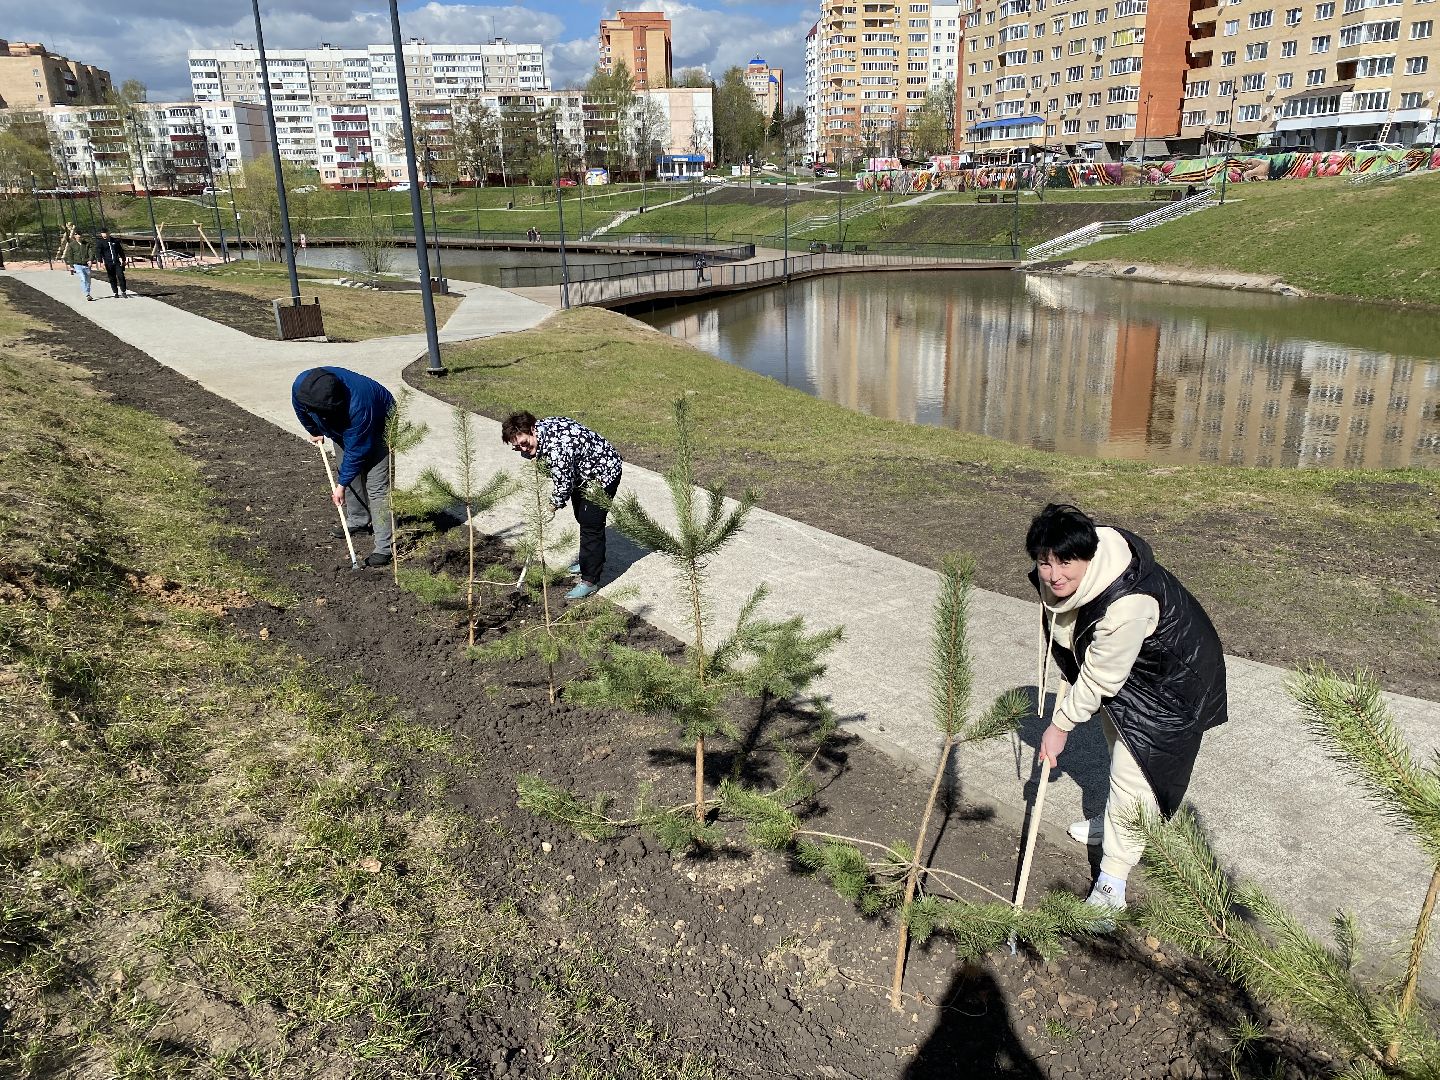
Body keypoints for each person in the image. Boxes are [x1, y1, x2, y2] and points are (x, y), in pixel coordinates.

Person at [1026, 503, 1227, 916]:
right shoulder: (1076, 568)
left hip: (1173, 684)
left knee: (1135, 775)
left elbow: (1101, 678)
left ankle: (1112, 885)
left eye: (1065, 563)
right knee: (1115, 742)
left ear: (1088, 556)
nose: (1054, 574)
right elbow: (1077, 633)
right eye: (1045, 563)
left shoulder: (1127, 602)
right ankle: (1114, 822)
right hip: (1131, 668)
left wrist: (1060, 725)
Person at [501, 411, 623, 600]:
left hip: (603, 473)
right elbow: (559, 472)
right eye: (517, 447)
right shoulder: (540, 429)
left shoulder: (558, 447)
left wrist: (552, 507)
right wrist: (528, 452)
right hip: (582, 471)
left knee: (591, 523)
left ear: (532, 430)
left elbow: (564, 484)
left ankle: (590, 580)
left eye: (524, 443)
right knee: (582, 516)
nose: (523, 449)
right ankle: (587, 561)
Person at [292, 367, 395, 568]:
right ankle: (358, 520)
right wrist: (314, 429)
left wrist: (340, 486)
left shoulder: (360, 408)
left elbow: (356, 452)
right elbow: (300, 408)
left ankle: (384, 547)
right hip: (343, 423)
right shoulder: (301, 386)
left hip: (380, 420)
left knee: (377, 486)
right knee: (346, 472)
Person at [59, 226, 94, 301]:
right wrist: (71, 266)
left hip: (86, 264)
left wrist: (90, 260)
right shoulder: (72, 245)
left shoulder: (87, 244)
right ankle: (87, 294)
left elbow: (91, 252)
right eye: (77, 235)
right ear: (75, 236)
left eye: (80, 235)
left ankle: (88, 292)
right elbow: (70, 256)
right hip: (77, 265)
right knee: (83, 278)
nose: (79, 236)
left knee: (88, 280)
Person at [93, 229, 130, 298]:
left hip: (116, 262)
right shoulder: (100, 242)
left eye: (105, 233)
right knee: (112, 277)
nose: (104, 235)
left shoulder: (115, 241)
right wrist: (100, 262)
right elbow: (98, 253)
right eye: (102, 233)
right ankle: (115, 292)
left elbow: (120, 251)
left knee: (121, 276)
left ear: (108, 233)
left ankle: (123, 291)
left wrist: (124, 259)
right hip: (108, 263)